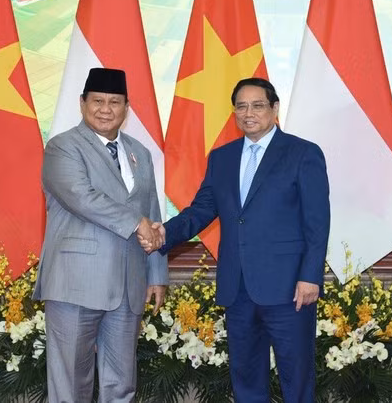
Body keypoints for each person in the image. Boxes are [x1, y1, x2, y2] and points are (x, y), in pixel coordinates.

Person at [142, 77, 330, 403]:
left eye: (257, 105)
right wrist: (164, 235)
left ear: (274, 109)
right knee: (245, 378)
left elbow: (317, 223)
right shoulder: (222, 157)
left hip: (290, 291)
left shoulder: (303, 154)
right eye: (241, 106)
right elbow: (201, 211)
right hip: (238, 290)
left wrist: (310, 276)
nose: (249, 113)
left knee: (296, 379)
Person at [33, 67, 168, 403]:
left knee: (121, 383)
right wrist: (138, 223)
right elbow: (82, 198)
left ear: (126, 108)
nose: (105, 109)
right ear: (82, 103)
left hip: (128, 284)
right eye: (97, 101)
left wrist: (156, 273)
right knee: (70, 385)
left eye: (114, 101)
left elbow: (152, 211)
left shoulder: (140, 152)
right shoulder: (62, 148)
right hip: (76, 283)